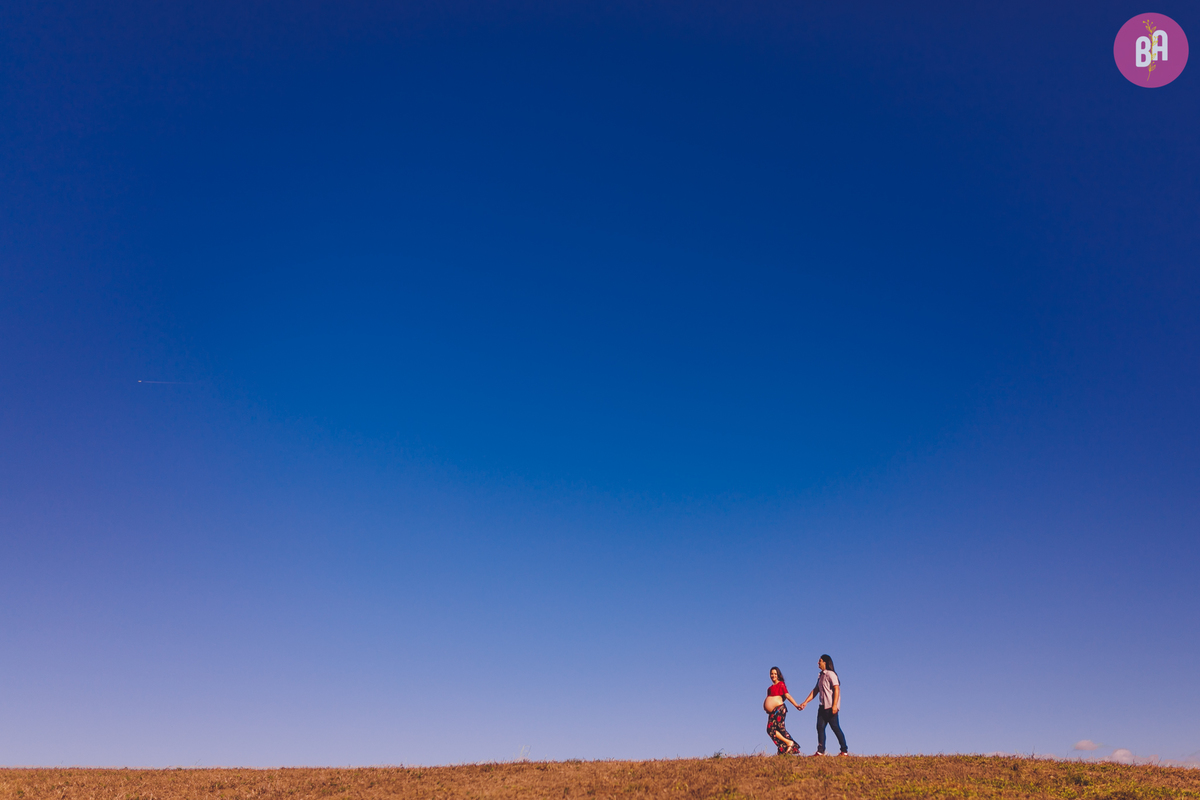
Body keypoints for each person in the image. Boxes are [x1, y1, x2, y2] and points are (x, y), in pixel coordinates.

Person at [797, 654, 848, 756]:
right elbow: (816, 690)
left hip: (830, 706)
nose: (818, 663)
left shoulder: (831, 674)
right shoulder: (820, 675)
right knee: (820, 727)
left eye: (820, 661)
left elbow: (837, 689)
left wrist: (835, 705)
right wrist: (805, 702)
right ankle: (820, 751)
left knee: (835, 728)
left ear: (825, 662)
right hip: (822, 706)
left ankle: (844, 750)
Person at [764, 666, 803, 754]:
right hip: (772, 711)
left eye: (775, 674)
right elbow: (769, 698)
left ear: (778, 675)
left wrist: (796, 705)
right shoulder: (769, 688)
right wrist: (767, 707)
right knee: (771, 730)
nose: (773, 675)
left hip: (779, 709)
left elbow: (787, 696)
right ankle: (784, 747)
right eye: (771, 674)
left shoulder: (781, 684)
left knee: (775, 729)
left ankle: (790, 743)